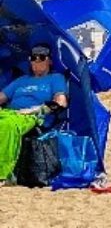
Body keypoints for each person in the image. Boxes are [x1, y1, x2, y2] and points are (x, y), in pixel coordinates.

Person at [0, 44, 69, 181]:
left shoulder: (55, 78)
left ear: (49, 61)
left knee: (6, 125)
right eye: (33, 58)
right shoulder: (21, 80)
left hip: (31, 115)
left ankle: (3, 172)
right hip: (9, 112)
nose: (37, 61)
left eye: (41, 57)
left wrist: (36, 110)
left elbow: (61, 102)